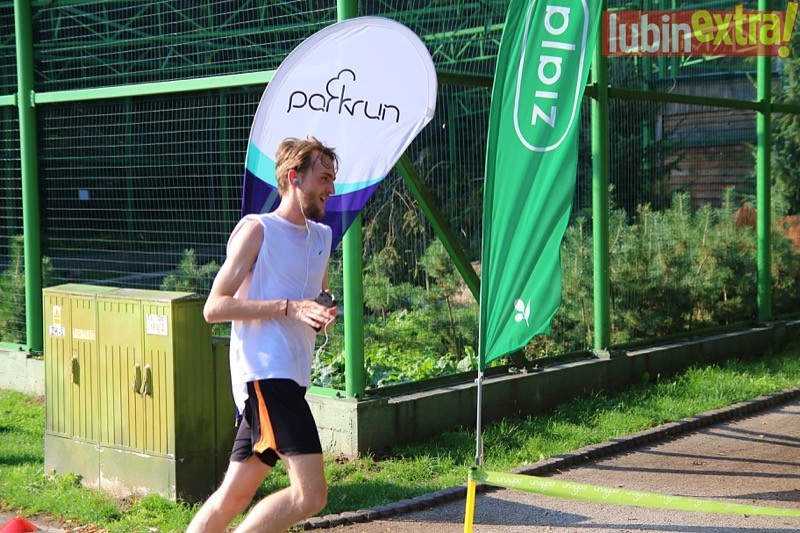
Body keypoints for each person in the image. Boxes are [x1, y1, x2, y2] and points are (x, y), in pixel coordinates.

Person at [187, 136, 340, 533]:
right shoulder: (258, 230)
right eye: (323, 178)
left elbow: (314, 298)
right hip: (267, 374)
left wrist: (321, 312)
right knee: (311, 495)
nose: (331, 187)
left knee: (234, 496)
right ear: (294, 178)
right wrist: (289, 307)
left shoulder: (322, 238)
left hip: (291, 377)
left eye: (332, 179)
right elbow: (213, 307)